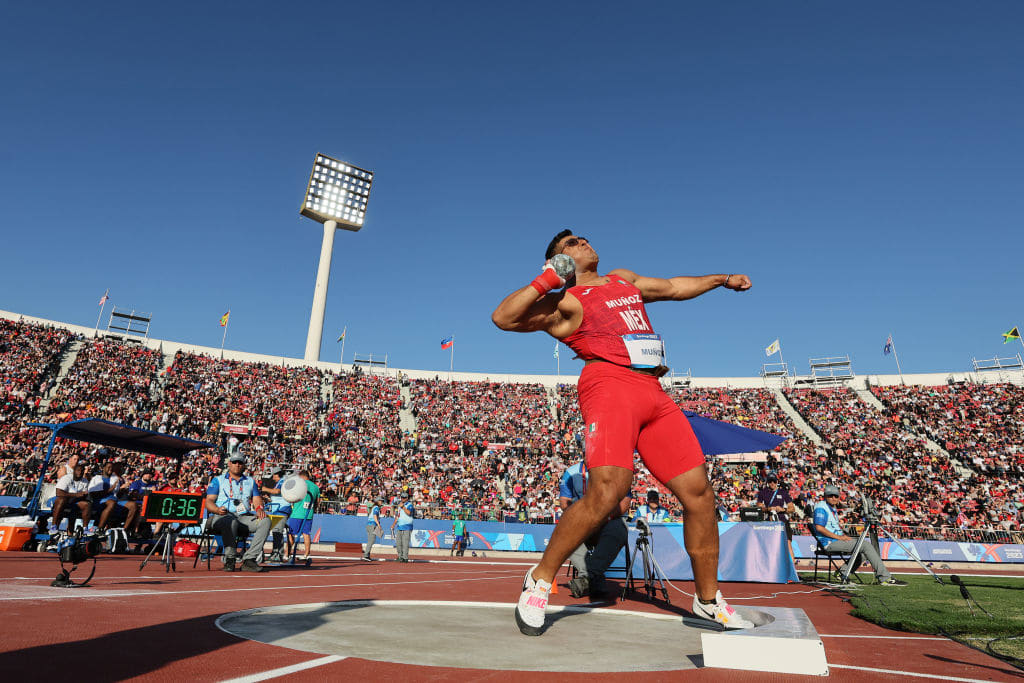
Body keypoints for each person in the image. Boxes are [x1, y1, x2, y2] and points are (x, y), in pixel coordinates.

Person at [492, 230, 754, 635]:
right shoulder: (563, 303)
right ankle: (540, 579)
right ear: (559, 260)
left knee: (699, 493)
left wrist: (720, 280)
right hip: (608, 384)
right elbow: (504, 317)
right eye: (572, 243)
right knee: (608, 489)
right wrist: (548, 279)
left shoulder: (621, 279)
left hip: (652, 390)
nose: (584, 242)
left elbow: (671, 288)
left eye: (583, 237)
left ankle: (707, 600)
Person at [560, 460, 630, 598]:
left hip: (608, 520)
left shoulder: (618, 470)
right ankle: (593, 578)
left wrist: (605, 518)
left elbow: (625, 502)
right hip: (583, 522)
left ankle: (588, 577)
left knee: (619, 528)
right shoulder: (571, 472)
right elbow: (564, 501)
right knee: (566, 529)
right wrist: (580, 518)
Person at [812, 485, 905, 586]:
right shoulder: (821, 507)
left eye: (836, 496)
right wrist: (840, 537)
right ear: (825, 496)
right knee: (865, 545)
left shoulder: (831, 508)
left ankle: (842, 572)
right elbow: (819, 528)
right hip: (829, 543)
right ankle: (885, 578)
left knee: (864, 551)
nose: (834, 498)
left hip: (835, 540)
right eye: (831, 496)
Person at [203, 453, 271, 572]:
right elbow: (209, 501)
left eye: (240, 462)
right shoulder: (218, 480)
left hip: (243, 517)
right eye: (235, 462)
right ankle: (230, 559)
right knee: (230, 521)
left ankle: (249, 560)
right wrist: (217, 510)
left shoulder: (250, 481)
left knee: (265, 521)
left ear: (244, 465)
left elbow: (256, 499)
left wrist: (259, 508)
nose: (237, 465)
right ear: (229, 464)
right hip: (222, 516)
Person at [757, 475, 795, 562]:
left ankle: (792, 569)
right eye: (770, 481)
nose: (772, 483)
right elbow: (759, 507)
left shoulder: (783, 492)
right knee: (769, 544)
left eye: (774, 481)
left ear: (777, 482)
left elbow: (792, 508)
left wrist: (783, 509)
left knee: (788, 543)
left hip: (783, 520)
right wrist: (768, 509)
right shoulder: (763, 492)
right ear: (767, 482)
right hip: (769, 520)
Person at [260, 467, 291, 563]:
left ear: (277, 474)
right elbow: (278, 495)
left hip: (281, 509)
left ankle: (278, 554)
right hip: (278, 509)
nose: (273, 478)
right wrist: (269, 499)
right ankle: (276, 553)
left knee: (277, 532)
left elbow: (277, 491)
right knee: (276, 532)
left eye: (273, 476)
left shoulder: (283, 481)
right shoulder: (279, 482)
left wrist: (265, 489)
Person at [287, 470, 319, 561]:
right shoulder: (315, 487)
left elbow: (292, 497)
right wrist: (313, 510)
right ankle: (307, 554)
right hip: (308, 514)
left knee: (291, 534)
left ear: (301, 476)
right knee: (306, 534)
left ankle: (287, 554)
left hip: (297, 513)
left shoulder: (299, 484)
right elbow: (317, 502)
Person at [50, 461, 91, 532]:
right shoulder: (66, 478)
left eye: (82, 471)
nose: (80, 472)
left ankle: (85, 529)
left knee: (86, 504)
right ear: (74, 471)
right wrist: (76, 495)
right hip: (57, 499)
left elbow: (83, 495)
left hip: (73, 501)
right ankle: (53, 526)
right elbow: (59, 493)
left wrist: (82, 495)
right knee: (62, 500)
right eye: (78, 470)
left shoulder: (85, 481)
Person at [391, 491, 415, 562]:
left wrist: (403, 507)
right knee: (398, 543)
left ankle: (405, 557)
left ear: (407, 498)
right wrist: (393, 524)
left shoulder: (409, 505)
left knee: (405, 543)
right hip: (399, 526)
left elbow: (409, 513)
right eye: (402, 497)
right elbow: (398, 516)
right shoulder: (399, 506)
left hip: (407, 526)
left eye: (404, 498)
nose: (402, 499)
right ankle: (400, 556)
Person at [363, 496, 384, 561]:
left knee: (370, 540)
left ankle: (367, 555)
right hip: (372, 525)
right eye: (380, 501)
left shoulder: (374, 507)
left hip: (369, 525)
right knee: (371, 541)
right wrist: (378, 524)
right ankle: (366, 555)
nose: (381, 502)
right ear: (377, 501)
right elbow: (375, 516)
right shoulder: (376, 507)